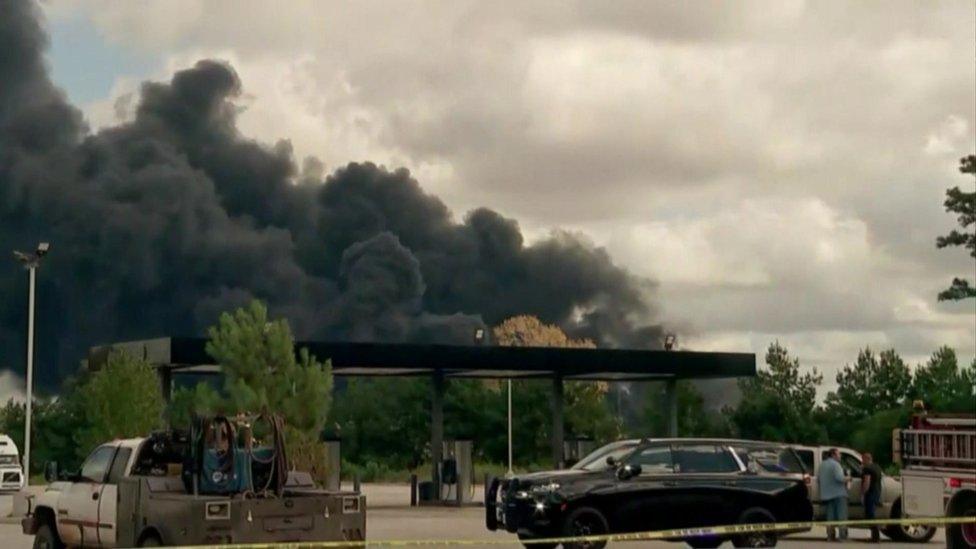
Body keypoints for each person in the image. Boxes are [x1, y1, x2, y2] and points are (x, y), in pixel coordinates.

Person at [818, 448, 849, 541]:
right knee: (841, 516)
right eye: (839, 454)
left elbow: (819, 479)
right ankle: (842, 536)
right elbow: (839, 478)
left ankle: (830, 536)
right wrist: (848, 478)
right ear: (833, 455)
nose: (840, 456)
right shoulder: (836, 465)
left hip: (826, 494)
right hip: (839, 494)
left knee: (830, 516)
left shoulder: (822, 465)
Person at [861, 452, 884, 543]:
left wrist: (863, 493)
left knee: (870, 515)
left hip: (870, 493)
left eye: (863, 460)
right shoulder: (877, 467)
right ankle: (875, 536)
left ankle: (875, 537)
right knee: (872, 513)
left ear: (867, 459)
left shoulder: (867, 468)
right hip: (877, 492)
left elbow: (867, 482)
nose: (862, 462)